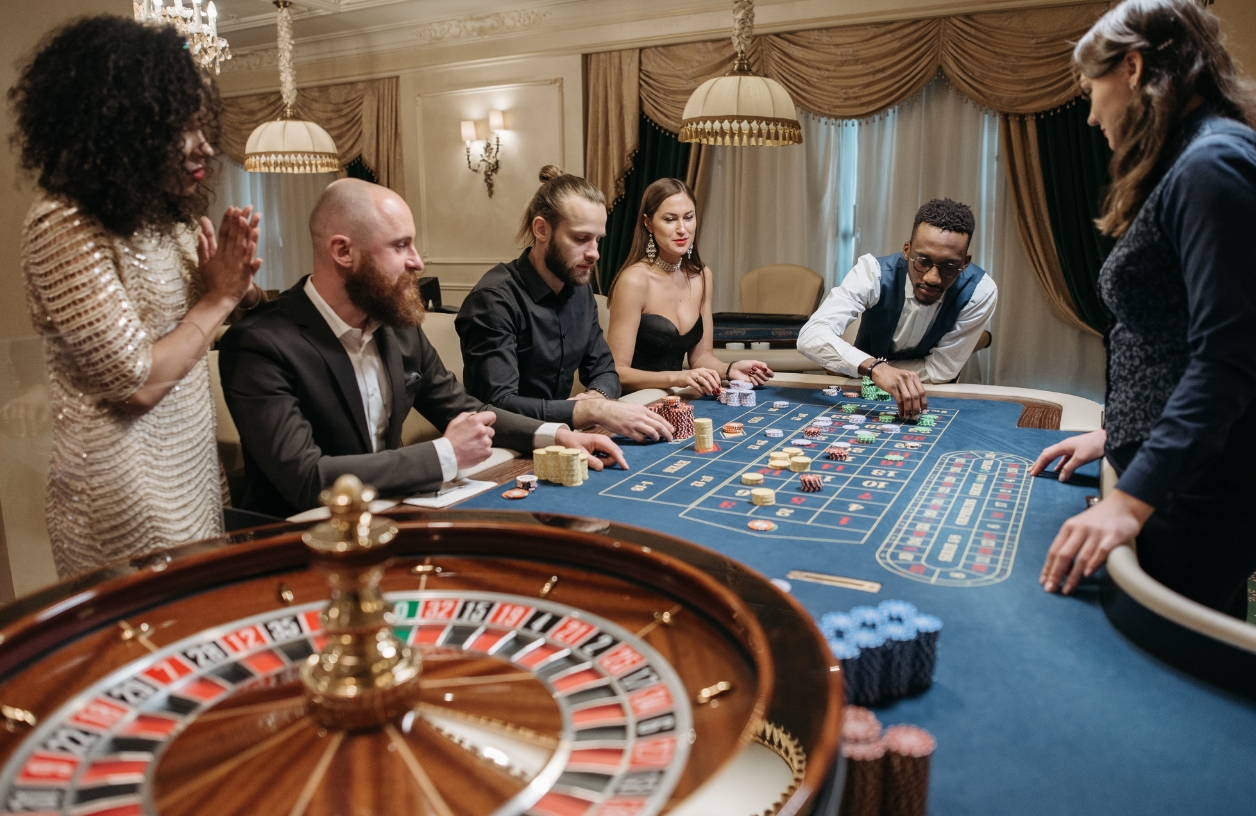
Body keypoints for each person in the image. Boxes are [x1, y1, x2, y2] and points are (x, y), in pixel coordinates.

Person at [13, 17, 264, 577]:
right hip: (120, 489)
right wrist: (219, 298)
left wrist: (238, 289)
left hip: (190, 471)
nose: (204, 145)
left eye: (203, 125)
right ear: (123, 128)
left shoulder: (164, 219)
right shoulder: (64, 223)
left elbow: (198, 322)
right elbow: (136, 384)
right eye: (182, 127)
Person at [1031, 0, 1256, 616]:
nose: (1090, 116)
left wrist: (1130, 500)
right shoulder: (1192, 160)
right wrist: (1119, 433)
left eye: (1090, 91)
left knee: (1177, 675)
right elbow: (1169, 339)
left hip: (1195, 492)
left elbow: (1227, 358)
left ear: (1131, 69)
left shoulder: (1213, 163)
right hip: (1176, 473)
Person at [218, 179, 625, 518]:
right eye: (400, 246)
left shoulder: (398, 328)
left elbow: (464, 409)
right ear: (343, 252)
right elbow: (304, 477)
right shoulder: (260, 343)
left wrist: (553, 434)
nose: (417, 262)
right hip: (298, 539)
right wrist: (445, 455)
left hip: (387, 516)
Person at [456, 167, 674, 442]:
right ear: (542, 229)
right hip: (502, 448)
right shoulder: (493, 300)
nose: (594, 253)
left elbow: (605, 371)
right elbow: (498, 406)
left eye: (598, 240)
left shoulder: (579, 289)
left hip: (566, 438)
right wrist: (586, 410)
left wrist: (598, 397)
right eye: (581, 238)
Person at [797, 199, 998, 418]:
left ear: (965, 262)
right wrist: (874, 368)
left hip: (931, 395)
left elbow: (940, 371)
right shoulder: (872, 272)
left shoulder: (980, 291)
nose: (932, 277)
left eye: (949, 266)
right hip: (863, 394)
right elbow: (811, 335)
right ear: (907, 250)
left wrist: (858, 366)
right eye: (922, 261)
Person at [605, 178, 773, 393]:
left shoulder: (702, 276)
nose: (682, 229)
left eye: (688, 217)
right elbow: (617, 372)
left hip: (675, 399)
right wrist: (679, 377)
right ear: (648, 223)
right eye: (670, 219)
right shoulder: (634, 281)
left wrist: (730, 368)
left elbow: (702, 358)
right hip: (634, 404)